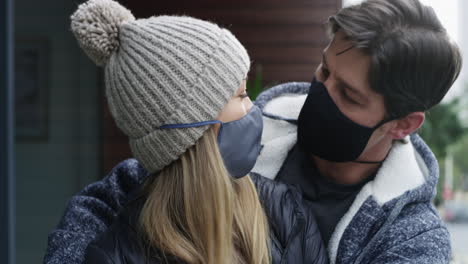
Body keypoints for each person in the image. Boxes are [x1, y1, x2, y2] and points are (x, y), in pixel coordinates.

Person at [45, 0, 462, 263]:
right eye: (324, 70)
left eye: (349, 96)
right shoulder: (244, 132)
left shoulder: (411, 242)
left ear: (403, 124)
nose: (319, 92)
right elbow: (117, 194)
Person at [44, 0, 328, 264]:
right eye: (240, 95)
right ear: (191, 129)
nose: (253, 107)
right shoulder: (118, 254)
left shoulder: (286, 210)